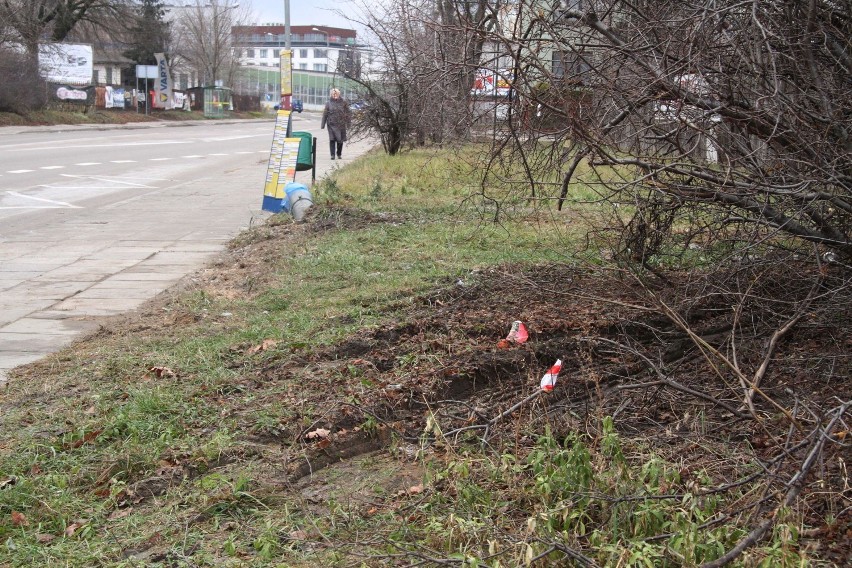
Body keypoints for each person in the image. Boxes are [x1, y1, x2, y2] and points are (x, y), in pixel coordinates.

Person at [320, 88, 351, 160]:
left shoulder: (343, 102)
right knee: (332, 139)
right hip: (331, 124)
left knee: (340, 140)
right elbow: (325, 114)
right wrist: (323, 124)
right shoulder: (328, 103)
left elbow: (348, 113)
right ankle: (332, 155)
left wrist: (348, 123)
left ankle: (339, 153)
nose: (335, 95)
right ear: (331, 95)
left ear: (339, 94)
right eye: (333, 94)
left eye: (336, 93)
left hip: (341, 124)